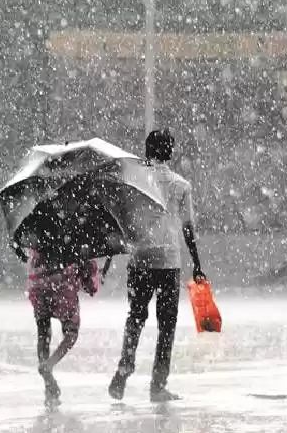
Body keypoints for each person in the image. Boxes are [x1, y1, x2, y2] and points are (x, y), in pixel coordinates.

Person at [108, 129, 205, 403]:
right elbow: (188, 229)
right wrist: (197, 264)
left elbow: (121, 221)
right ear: (169, 151)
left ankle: (124, 367)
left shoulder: (133, 183)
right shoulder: (180, 186)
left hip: (140, 259)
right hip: (167, 261)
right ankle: (158, 385)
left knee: (136, 317)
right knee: (167, 325)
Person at [25, 240, 100, 409]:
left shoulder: (39, 232)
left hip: (38, 285)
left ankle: (49, 386)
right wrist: (95, 276)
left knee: (43, 334)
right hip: (63, 286)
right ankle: (49, 365)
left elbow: (30, 259)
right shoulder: (81, 237)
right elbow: (90, 286)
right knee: (71, 333)